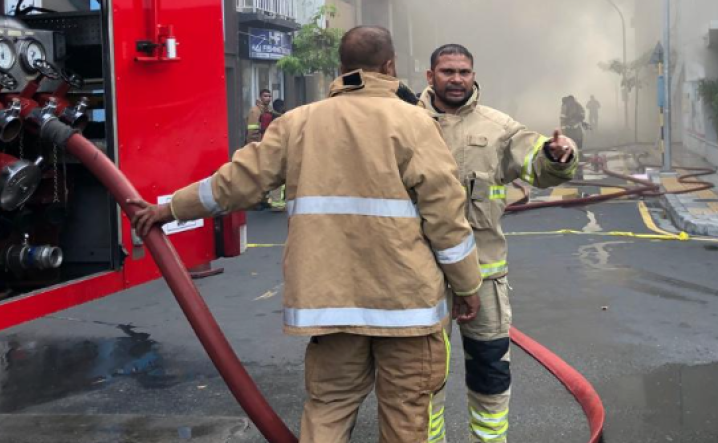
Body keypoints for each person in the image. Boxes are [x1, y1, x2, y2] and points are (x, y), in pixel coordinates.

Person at [130, 26, 484, 443]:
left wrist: (169, 208)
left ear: (341, 66)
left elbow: (235, 183)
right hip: (405, 306)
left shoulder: (297, 122)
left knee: (329, 406)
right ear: (389, 66)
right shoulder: (416, 123)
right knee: (406, 414)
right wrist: (467, 285)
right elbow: (446, 217)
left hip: (328, 303)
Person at [421, 44, 577, 443]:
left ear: (474, 76)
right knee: (422, 375)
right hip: (420, 275)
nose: (457, 79)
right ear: (430, 76)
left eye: (464, 72)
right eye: (448, 71)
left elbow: (538, 164)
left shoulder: (498, 126)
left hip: (484, 275)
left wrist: (558, 156)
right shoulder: (405, 121)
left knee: (490, 368)